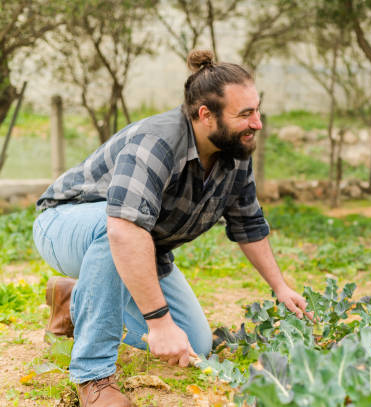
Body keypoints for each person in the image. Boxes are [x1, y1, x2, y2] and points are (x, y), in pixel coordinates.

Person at [33, 50, 309, 407]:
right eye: (245, 114)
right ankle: (93, 375)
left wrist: (280, 286)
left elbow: (248, 224)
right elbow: (124, 230)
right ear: (205, 115)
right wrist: (158, 322)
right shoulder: (157, 142)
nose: (257, 123)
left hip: (139, 243)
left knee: (194, 342)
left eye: (257, 110)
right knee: (116, 225)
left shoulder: (235, 154)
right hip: (65, 224)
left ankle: (74, 300)